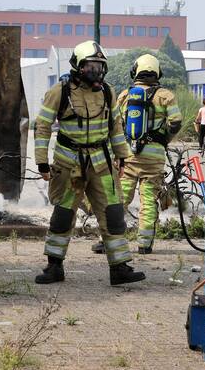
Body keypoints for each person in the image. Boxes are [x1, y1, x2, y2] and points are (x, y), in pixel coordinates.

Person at [33, 41, 146, 285]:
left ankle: (119, 268)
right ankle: (54, 267)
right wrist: (42, 162)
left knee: (113, 213)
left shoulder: (107, 92)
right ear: (78, 66)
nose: (96, 71)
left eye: (99, 65)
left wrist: (122, 155)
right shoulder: (59, 92)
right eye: (90, 65)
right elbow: (42, 126)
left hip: (102, 164)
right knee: (63, 215)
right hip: (68, 164)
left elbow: (116, 126)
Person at [115, 54, 182, 254]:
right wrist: (164, 140)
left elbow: (116, 125)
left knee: (121, 198)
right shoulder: (166, 95)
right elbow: (176, 122)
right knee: (148, 200)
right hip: (154, 158)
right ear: (157, 72)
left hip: (129, 155)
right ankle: (144, 244)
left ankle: (109, 239)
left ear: (135, 71)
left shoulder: (125, 95)